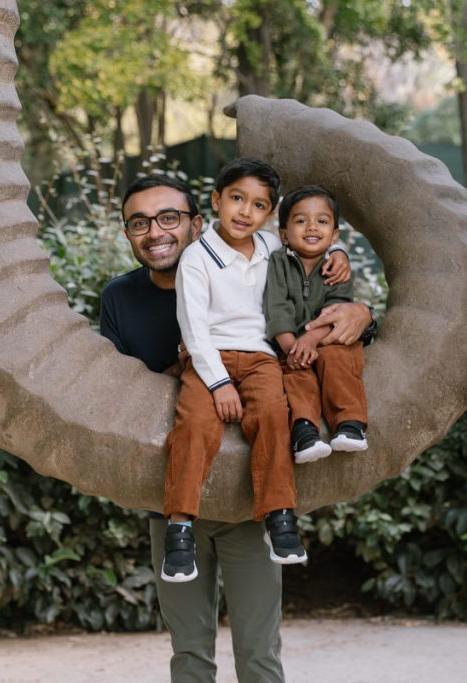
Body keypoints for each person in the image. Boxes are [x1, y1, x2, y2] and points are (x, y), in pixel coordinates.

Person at [100, 172, 371, 683]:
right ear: (127, 232)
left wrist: (357, 300)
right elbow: (119, 394)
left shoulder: (263, 259)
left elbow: (309, 286)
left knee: (260, 653)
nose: (155, 231)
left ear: (197, 221)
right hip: (174, 496)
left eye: (168, 217)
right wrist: (191, 374)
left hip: (250, 497)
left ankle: (280, 519)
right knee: (189, 654)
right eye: (139, 222)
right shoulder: (119, 299)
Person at [162, 157, 350, 583]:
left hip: (263, 358)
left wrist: (337, 250)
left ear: (271, 214)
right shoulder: (196, 259)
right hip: (208, 357)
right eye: (236, 199)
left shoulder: (270, 248)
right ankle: (180, 527)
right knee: (193, 426)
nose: (245, 212)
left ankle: (280, 517)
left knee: (271, 418)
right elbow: (194, 328)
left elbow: (311, 244)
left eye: (259, 205)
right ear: (216, 200)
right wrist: (219, 383)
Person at [264, 185, 370, 463]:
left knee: (339, 360)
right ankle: (305, 431)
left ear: (334, 235)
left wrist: (311, 340)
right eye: (301, 221)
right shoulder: (278, 262)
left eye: (322, 221)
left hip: (329, 338)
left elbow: (336, 308)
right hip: (290, 343)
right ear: (284, 234)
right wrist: (291, 348)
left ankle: (350, 424)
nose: (312, 227)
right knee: (294, 374)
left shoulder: (336, 266)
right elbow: (276, 305)